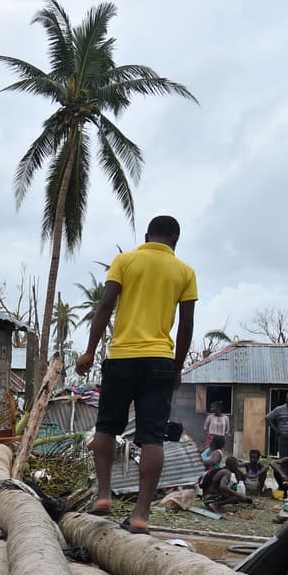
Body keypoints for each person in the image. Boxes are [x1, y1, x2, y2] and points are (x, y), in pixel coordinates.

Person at [75, 214, 197, 534]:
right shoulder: (185, 271)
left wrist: (89, 351)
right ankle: (141, 515)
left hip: (122, 359)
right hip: (159, 361)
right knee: (152, 438)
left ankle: (103, 497)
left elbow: (104, 306)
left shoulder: (125, 261)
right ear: (176, 240)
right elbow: (186, 325)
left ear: (146, 235)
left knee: (106, 427)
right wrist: (177, 366)